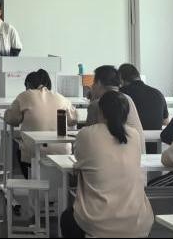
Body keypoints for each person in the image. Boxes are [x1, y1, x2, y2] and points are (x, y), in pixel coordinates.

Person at [61, 91, 154, 238]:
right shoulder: (134, 135)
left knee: (67, 219)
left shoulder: (87, 134)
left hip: (99, 223)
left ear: (101, 112)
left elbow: (79, 159)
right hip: (138, 221)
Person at [3, 70, 77, 178]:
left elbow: (11, 119)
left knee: (19, 147)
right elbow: (73, 120)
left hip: (34, 155)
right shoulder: (62, 98)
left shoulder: (24, 96)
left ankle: (31, 181)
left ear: (29, 85)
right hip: (62, 155)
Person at [118, 64, 169, 154]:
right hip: (154, 149)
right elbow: (165, 121)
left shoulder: (121, 94)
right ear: (138, 76)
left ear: (121, 79)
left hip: (129, 148)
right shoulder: (157, 93)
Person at [86, 65, 143, 132]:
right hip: (137, 138)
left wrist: (93, 100)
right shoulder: (128, 99)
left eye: (93, 83)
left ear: (98, 83)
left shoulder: (96, 104)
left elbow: (87, 134)